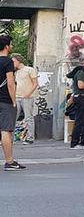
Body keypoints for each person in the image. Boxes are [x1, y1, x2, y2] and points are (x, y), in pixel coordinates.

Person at [0, 36, 26, 170]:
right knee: (6, 130)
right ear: (6, 47)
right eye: (11, 44)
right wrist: (14, 100)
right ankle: (9, 162)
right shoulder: (7, 62)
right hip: (5, 100)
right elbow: (10, 83)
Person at [10, 54, 37, 145]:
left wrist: (28, 94)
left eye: (13, 61)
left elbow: (35, 83)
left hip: (27, 97)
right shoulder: (16, 72)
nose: (12, 63)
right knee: (13, 117)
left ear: (18, 61)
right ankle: (10, 138)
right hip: (17, 97)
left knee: (28, 117)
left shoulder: (29, 70)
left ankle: (30, 138)